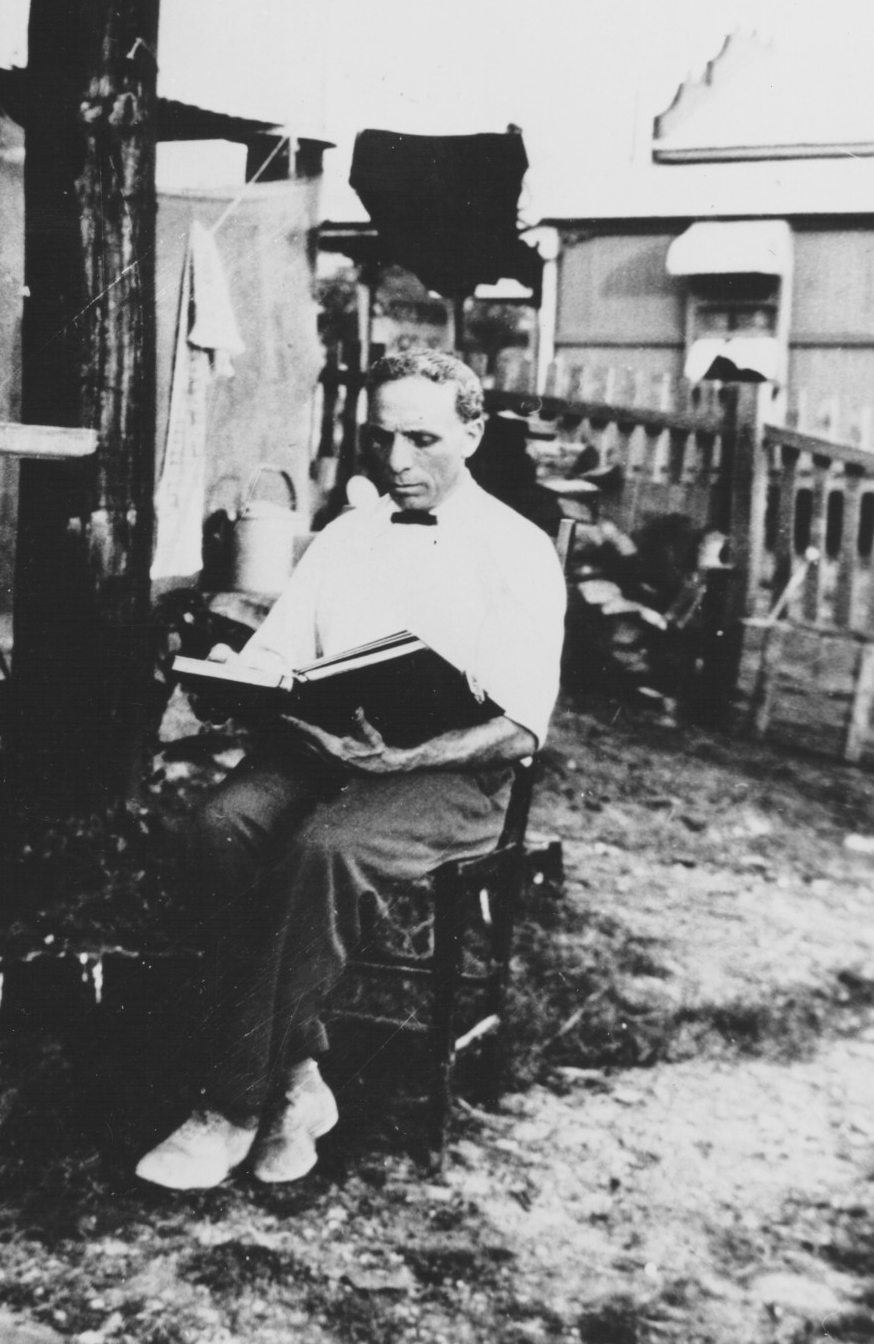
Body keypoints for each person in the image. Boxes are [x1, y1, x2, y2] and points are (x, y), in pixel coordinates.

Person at [136, 349, 566, 1191]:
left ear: (473, 433)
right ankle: (297, 1081)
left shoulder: (516, 550)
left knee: (325, 850)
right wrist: (236, 683)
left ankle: (229, 1105)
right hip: (330, 748)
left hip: (451, 773)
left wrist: (404, 756)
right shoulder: (345, 535)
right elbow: (280, 652)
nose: (397, 462)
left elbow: (518, 726)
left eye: (423, 439)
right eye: (379, 439)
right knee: (220, 827)